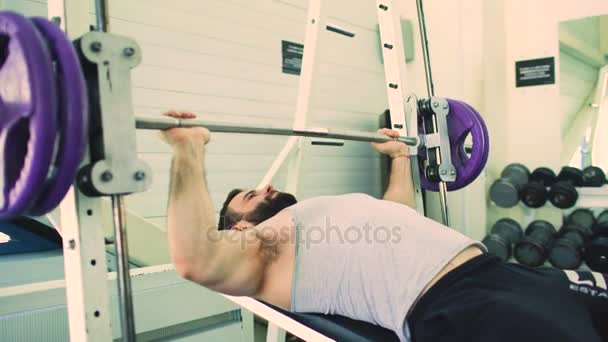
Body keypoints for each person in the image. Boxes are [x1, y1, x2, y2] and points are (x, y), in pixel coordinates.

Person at [161, 110, 607, 342]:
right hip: (465, 307)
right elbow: (195, 259)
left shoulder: (317, 216)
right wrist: (189, 150)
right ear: (237, 230)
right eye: (250, 197)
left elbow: (398, 213)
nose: (266, 188)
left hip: (507, 276)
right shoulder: (261, 248)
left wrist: (398, 159)